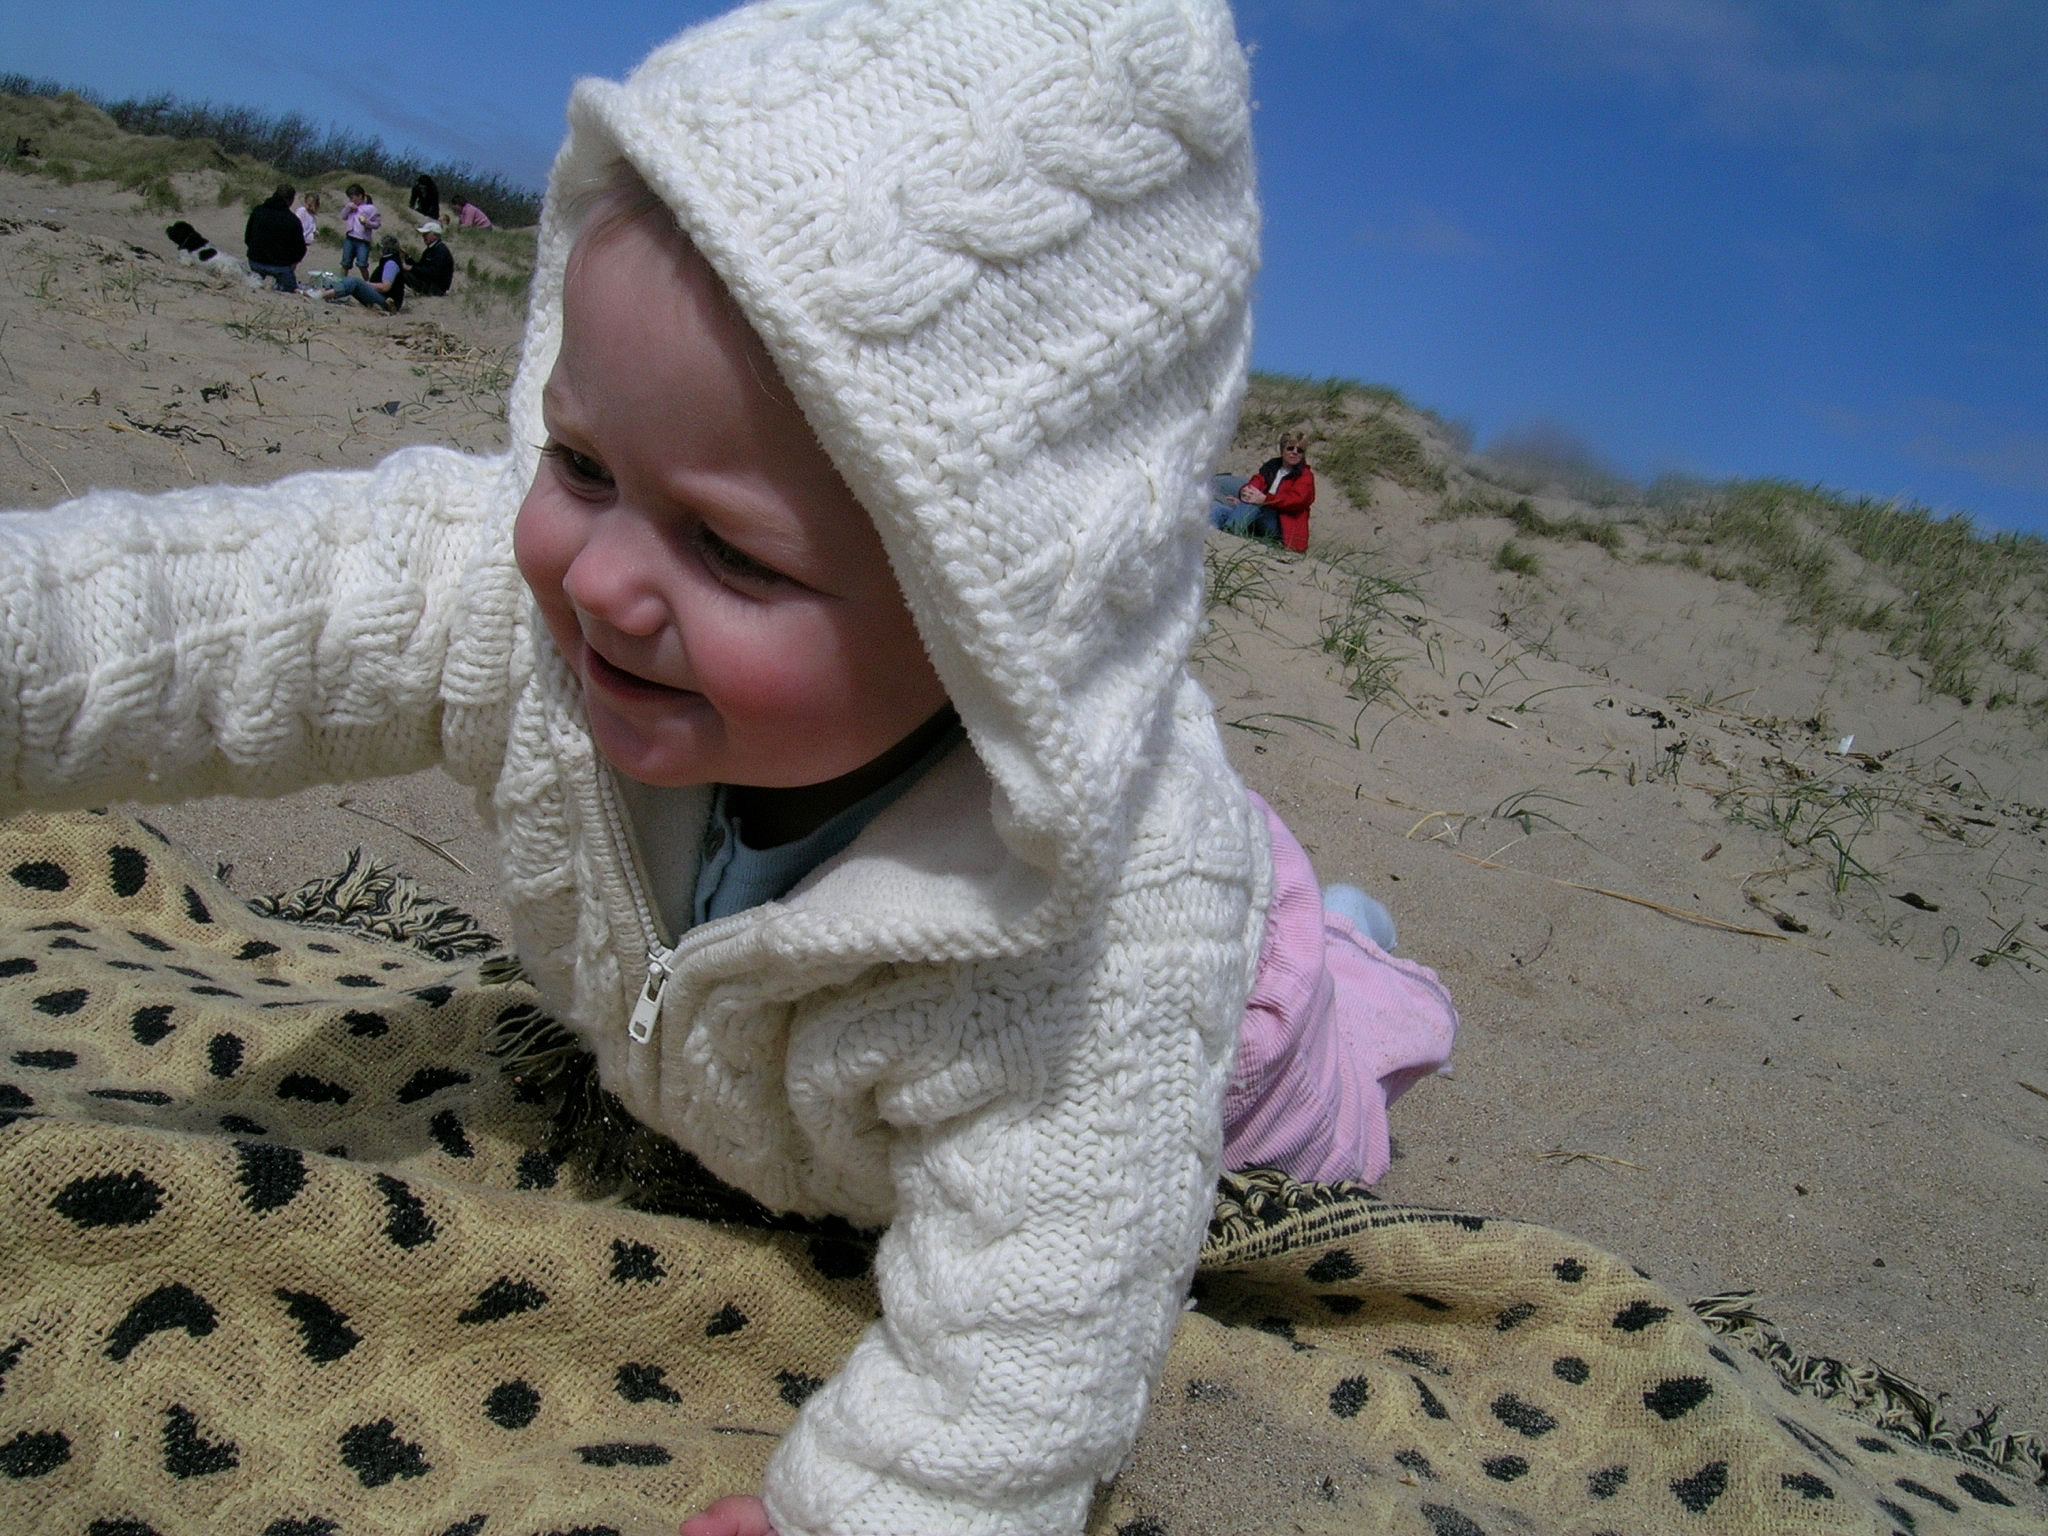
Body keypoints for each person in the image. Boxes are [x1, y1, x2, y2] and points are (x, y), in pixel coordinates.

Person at [0, 4, 1453, 1532]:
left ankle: (1346, 959)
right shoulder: (519, 604)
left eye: (732, 552)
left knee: (1320, 1079)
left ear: (988, 618)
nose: (601, 581)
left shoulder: (1103, 935)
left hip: (1245, 1048)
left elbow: (1039, 1334)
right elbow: (194, 619)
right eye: (580, 466)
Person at [1214, 430, 1317, 552]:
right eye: (1290, 448)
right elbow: (1257, 481)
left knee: (1254, 504)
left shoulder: (1305, 476)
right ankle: (1207, 535)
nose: (1295, 452)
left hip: (1281, 527)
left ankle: (1229, 534)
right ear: (1282, 449)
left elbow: (1296, 501)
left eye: (1300, 450)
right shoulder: (1272, 467)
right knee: (1218, 509)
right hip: (1259, 514)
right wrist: (1245, 494)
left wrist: (1265, 500)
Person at [242, 182, 307, 292]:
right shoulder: (292, 220)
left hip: (255, 262)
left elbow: (248, 237)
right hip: (280, 266)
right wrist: (292, 263)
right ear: (290, 200)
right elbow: (300, 249)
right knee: (290, 290)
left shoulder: (258, 211)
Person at [323, 233, 405, 311]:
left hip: (387, 302)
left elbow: (385, 287)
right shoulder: (389, 260)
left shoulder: (391, 263)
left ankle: (323, 295)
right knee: (347, 280)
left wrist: (367, 284)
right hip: (382, 297)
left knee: (355, 282)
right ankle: (325, 291)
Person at [339, 183, 381, 279]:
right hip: (350, 237)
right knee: (345, 263)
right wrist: (348, 207)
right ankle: (341, 283)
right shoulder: (350, 207)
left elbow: (377, 224)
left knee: (362, 264)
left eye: (352, 197)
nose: (351, 200)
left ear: (360, 196)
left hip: (363, 240)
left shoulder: (371, 208)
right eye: (349, 198)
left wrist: (367, 223)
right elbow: (343, 216)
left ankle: (367, 283)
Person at [405, 220, 453, 296]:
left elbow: (433, 272)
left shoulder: (441, 251)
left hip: (436, 289)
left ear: (435, 235)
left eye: (426, 234)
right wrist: (408, 258)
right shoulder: (430, 249)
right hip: (429, 284)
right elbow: (421, 267)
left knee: (401, 272)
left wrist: (411, 268)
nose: (423, 236)